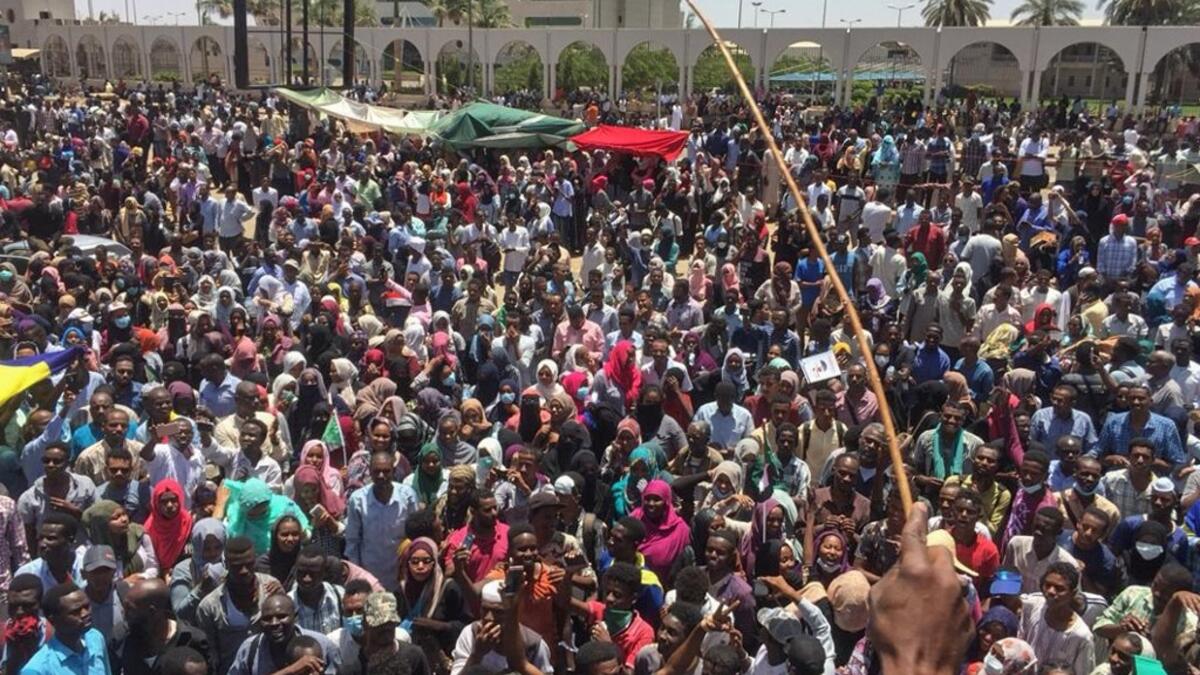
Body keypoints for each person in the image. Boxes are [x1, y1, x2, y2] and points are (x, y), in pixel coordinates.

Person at [20, 582, 110, 675]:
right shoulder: (37, 670)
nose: (85, 614)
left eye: (87, 607)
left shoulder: (95, 639)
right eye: (75, 612)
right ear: (53, 619)